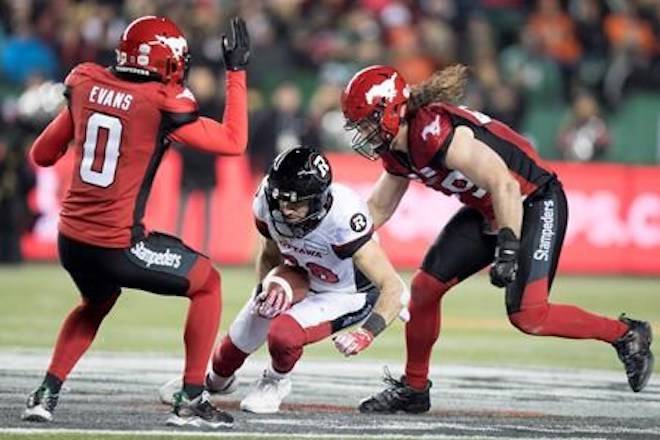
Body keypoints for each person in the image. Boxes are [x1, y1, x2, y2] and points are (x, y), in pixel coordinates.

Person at [340, 64, 654, 413]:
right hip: (489, 207)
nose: (364, 131)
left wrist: (509, 245)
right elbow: (379, 207)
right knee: (426, 288)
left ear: (394, 110)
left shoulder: (435, 131)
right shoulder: (396, 149)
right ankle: (414, 388)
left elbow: (504, 182)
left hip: (533, 199)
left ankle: (626, 333)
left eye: (368, 120)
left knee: (529, 315)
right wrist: (338, 242)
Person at [22, 16, 250, 429]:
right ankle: (192, 399)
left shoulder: (85, 83)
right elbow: (234, 142)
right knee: (208, 282)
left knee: (96, 303)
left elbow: (41, 155)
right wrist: (236, 73)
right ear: (166, 62)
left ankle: (45, 395)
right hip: (116, 244)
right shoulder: (162, 102)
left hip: (70, 239)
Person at [160, 146, 409, 414]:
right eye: (281, 201)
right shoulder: (269, 201)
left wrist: (366, 332)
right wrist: (264, 290)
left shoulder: (343, 217)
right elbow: (268, 254)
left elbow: (393, 286)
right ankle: (215, 382)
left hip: (344, 292)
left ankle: (275, 381)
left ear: (318, 200)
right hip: (300, 277)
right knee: (228, 352)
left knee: (283, 335)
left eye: (296, 203)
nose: (286, 211)